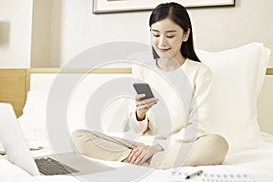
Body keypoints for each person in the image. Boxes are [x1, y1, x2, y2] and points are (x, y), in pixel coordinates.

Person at [72, 2, 228, 169]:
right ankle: (141, 160)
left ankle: (145, 162)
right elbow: (135, 130)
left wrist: (158, 148)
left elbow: (198, 126)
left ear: (185, 34)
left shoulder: (200, 72)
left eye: (170, 35)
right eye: (156, 34)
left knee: (218, 144)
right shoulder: (141, 68)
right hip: (142, 145)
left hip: (177, 146)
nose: (162, 42)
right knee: (79, 137)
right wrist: (139, 114)